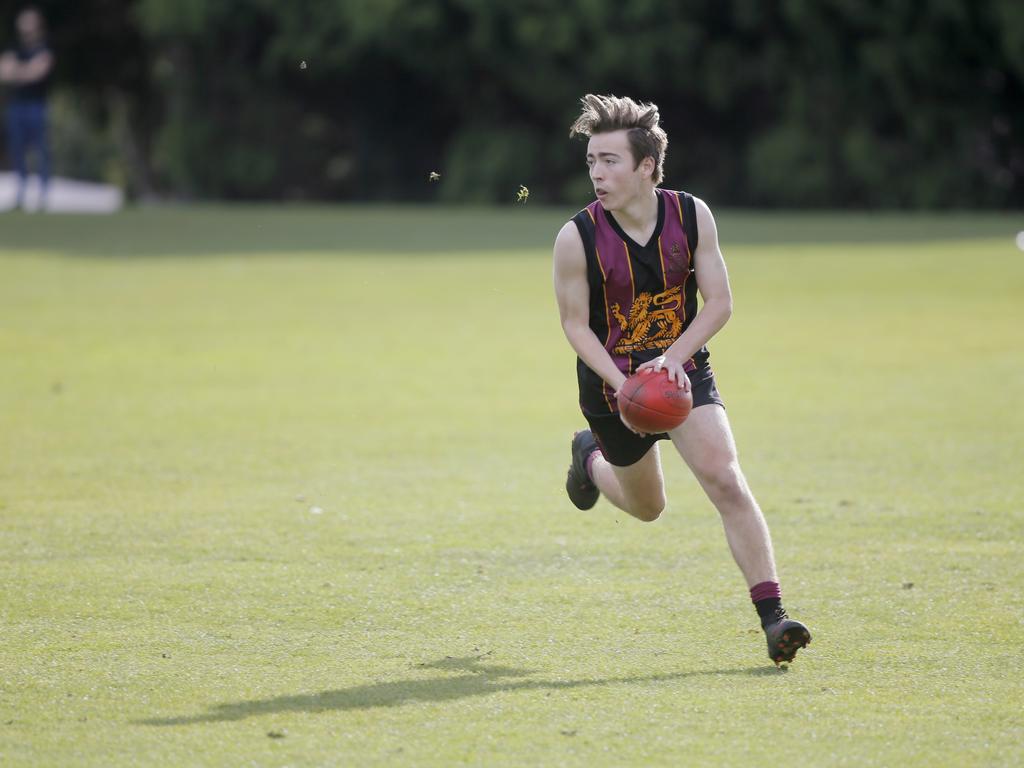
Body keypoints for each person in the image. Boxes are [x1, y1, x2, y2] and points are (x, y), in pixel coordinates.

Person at [553, 94, 811, 665]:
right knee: (649, 508)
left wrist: (674, 357)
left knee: (725, 479)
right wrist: (622, 383)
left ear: (646, 166)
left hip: (682, 369)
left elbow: (718, 303)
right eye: (592, 161)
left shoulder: (692, 215)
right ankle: (589, 457)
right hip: (611, 386)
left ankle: (774, 619)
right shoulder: (577, 237)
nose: (597, 172)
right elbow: (574, 325)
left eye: (611, 161)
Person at [0, 6, 54, 211]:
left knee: (41, 151)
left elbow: (38, 72)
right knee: (17, 150)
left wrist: (18, 72)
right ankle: (21, 193)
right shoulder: (13, 47)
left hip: (37, 105)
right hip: (16, 106)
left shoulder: (44, 47)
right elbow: (4, 73)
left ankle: (43, 195)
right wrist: (27, 71)